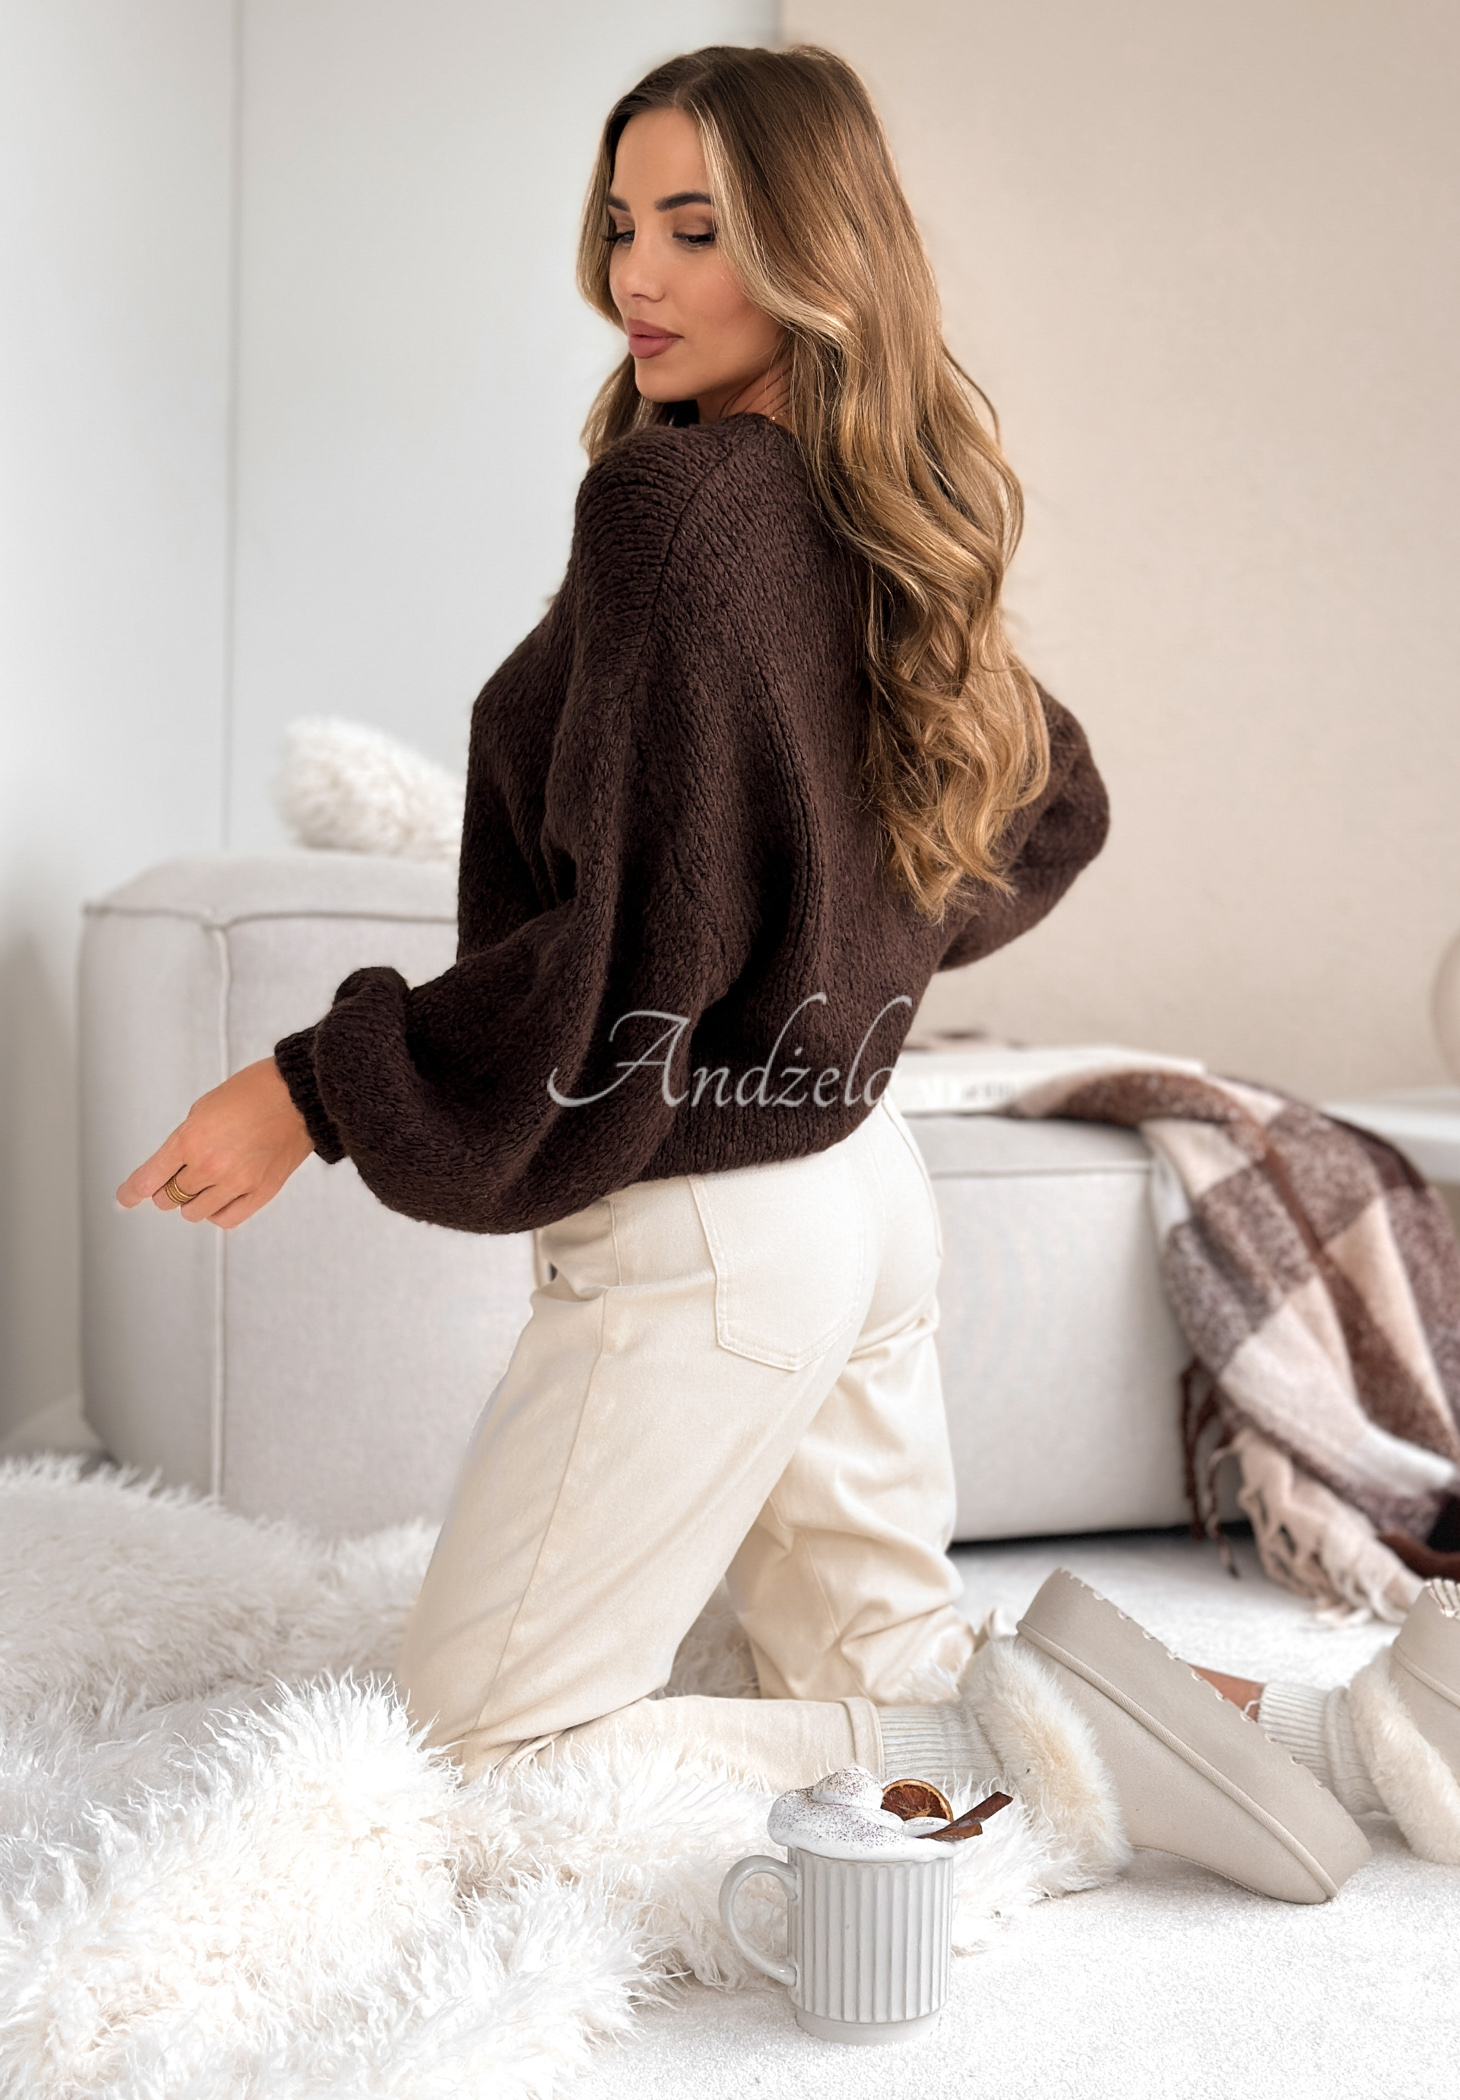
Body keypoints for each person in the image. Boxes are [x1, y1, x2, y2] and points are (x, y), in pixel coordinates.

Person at [118, 44, 1460, 1903]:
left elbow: (619, 953)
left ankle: (1040, 1742)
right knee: (880, 1666)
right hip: (854, 1181)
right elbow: (1044, 803)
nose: (638, 278)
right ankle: (1369, 1729)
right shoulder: (874, 501)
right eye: (620, 226)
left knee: (482, 1755)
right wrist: (841, 973)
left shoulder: (673, 514)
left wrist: (313, 1091)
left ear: (813, 246)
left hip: (716, 1227)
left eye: (698, 229)